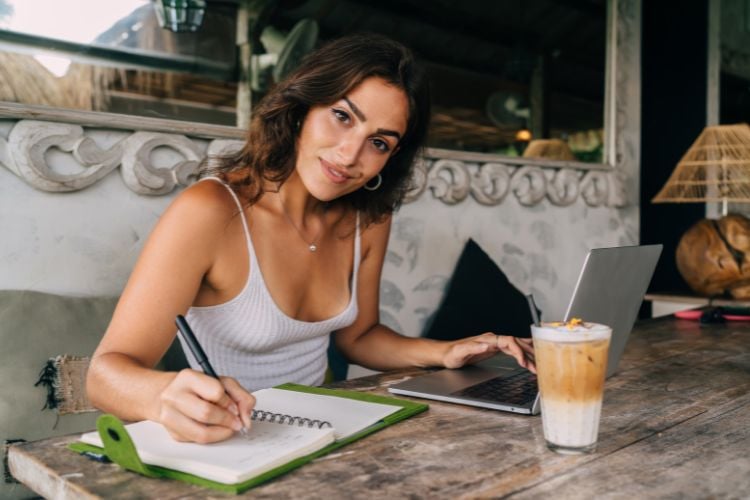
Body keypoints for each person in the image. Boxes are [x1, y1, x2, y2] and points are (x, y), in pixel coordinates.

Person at [87, 33, 535, 444]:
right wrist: (166, 396)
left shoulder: (369, 219)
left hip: (323, 434)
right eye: (342, 116)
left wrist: (447, 352)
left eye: (379, 142)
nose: (349, 155)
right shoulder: (212, 212)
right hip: (229, 444)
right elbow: (104, 376)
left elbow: (358, 338)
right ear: (302, 107)